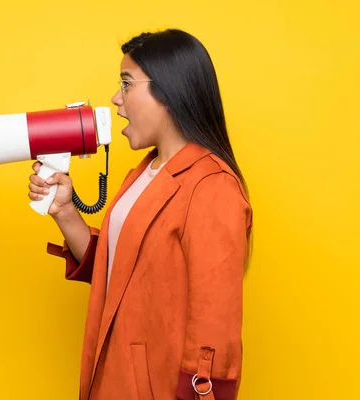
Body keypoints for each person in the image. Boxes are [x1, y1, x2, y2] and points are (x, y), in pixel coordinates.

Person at [28, 28, 253, 400]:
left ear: (169, 91)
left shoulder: (212, 187)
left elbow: (216, 322)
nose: (116, 99)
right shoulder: (144, 173)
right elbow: (121, 271)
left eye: (127, 83)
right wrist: (66, 212)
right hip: (112, 380)